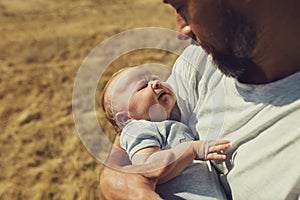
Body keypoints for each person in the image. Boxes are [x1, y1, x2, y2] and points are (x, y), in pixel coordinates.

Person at [100, 0, 300, 199]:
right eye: (143, 86)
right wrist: (116, 179)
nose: (181, 30)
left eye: (182, 6)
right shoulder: (201, 59)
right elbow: (134, 146)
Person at [101, 66, 231, 198]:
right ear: (125, 118)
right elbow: (150, 168)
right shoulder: (137, 129)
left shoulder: (168, 124)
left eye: (155, 78)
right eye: (143, 86)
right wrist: (192, 150)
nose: (156, 83)